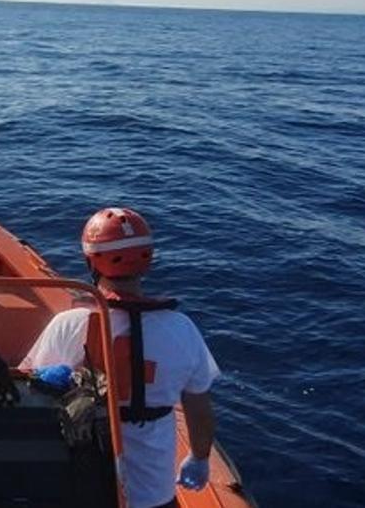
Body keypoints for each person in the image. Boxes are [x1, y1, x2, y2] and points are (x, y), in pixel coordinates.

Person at [22, 208, 219, 508]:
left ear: (91, 261)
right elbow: (199, 407)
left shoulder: (70, 323)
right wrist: (200, 459)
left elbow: (29, 389)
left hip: (83, 485)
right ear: (147, 261)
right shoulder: (181, 329)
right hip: (154, 495)